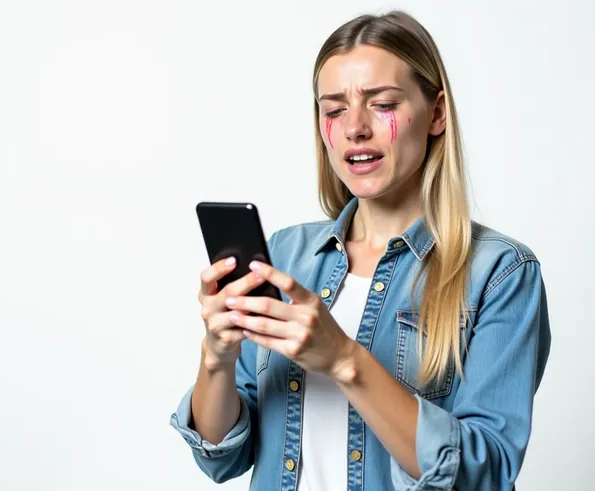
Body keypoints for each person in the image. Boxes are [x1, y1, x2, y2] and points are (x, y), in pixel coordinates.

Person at [169, 9, 551, 491]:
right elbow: (222, 457)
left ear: (436, 113)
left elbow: (486, 472)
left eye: (382, 103)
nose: (354, 128)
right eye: (333, 109)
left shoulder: (499, 273)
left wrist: (345, 360)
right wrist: (217, 356)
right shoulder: (286, 255)